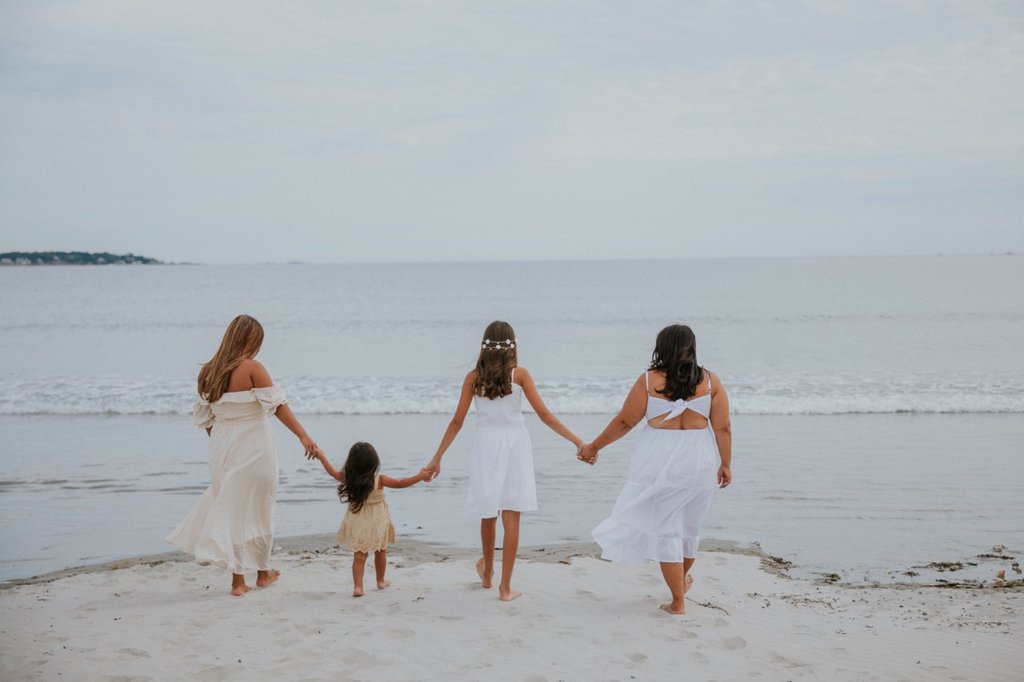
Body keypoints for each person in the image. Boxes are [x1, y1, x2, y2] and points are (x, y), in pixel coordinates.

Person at [424, 320, 583, 601]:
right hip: (515, 445)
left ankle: (487, 575)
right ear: (513, 346)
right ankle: (505, 588)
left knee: (488, 513)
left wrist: (437, 457)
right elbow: (545, 415)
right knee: (512, 515)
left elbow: (457, 421)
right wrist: (578, 441)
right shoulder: (520, 376)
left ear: (484, 345)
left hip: (486, 445)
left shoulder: (473, 378)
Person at [580, 324, 732, 615]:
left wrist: (595, 446)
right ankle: (680, 585)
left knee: (667, 531)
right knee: (689, 528)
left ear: (661, 347)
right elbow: (723, 427)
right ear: (692, 347)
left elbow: (625, 421)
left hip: (659, 460)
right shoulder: (710, 382)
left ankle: (677, 602)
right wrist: (725, 463)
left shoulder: (649, 381)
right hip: (698, 460)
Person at [166, 314, 318, 596]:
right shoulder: (252, 368)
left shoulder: (208, 372)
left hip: (222, 447)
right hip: (255, 445)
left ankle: (240, 580)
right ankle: (261, 572)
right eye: (258, 342)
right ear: (251, 340)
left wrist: (223, 444)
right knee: (259, 506)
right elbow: (278, 406)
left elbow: (206, 420)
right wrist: (303, 435)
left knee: (233, 506)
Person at [313, 442, 431, 596]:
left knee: (359, 555)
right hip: (377, 521)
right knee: (380, 551)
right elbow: (400, 484)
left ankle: (358, 587)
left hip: (358, 521)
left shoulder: (349, 478)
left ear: (351, 462)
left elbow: (333, 473)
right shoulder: (380, 480)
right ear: (374, 463)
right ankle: (380, 581)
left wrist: (322, 457)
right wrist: (419, 477)